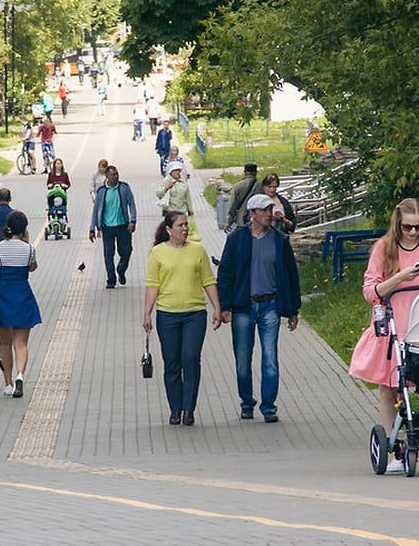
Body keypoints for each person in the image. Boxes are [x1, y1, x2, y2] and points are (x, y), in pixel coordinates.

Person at [348, 197, 419, 472]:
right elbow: (370, 291)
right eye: (408, 227)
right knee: (388, 387)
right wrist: (399, 278)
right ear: (398, 224)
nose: (413, 232)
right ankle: (393, 453)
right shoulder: (384, 248)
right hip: (392, 322)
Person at [216, 194, 302, 423]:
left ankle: (269, 406)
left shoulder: (280, 240)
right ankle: (247, 402)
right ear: (251, 214)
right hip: (244, 306)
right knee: (243, 360)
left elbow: (291, 276)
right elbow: (225, 274)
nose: (269, 214)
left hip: (270, 306)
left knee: (270, 357)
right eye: (263, 211)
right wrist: (224, 306)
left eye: (270, 210)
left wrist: (293, 310)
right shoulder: (237, 239)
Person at [143, 211, 223, 426]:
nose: (185, 229)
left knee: (190, 358)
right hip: (167, 314)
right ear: (169, 230)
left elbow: (208, 280)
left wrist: (217, 307)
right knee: (171, 363)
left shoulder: (197, 251)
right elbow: (153, 284)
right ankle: (175, 409)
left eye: (186, 225)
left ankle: (189, 408)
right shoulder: (158, 253)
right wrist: (147, 313)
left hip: (194, 314)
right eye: (180, 225)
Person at [0, 210, 41, 399]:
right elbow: (32, 267)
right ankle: (20, 374)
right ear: (24, 229)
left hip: (1, 298)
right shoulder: (29, 249)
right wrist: (26, 242)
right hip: (22, 296)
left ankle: (8, 383)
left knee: (4, 343)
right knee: (20, 343)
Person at [89, 164, 137, 289]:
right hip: (107, 227)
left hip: (123, 226)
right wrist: (92, 228)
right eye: (113, 175)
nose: (116, 177)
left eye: (117, 174)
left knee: (126, 251)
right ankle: (111, 279)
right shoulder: (102, 191)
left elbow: (131, 204)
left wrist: (133, 220)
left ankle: (121, 269)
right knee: (108, 254)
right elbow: (96, 210)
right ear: (107, 176)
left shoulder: (124, 188)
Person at [156, 161, 197, 242]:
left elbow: (187, 196)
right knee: (173, 230)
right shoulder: (166, 181)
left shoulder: (183, 181)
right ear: (171, 172)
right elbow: (159, 194)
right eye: (175, 171)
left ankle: (182, 242)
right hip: (170, 210)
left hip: (182, 210)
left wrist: (190, 209)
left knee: (182, 229)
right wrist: (166, 188)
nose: (178, 172)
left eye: (179, 170)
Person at [225, 162, 263, 231]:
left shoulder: (237, 186)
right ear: (256, 172)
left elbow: (232, 206)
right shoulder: (260, 186)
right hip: (258, 222)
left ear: (245, 172)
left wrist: (228, 223)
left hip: (241, 221)